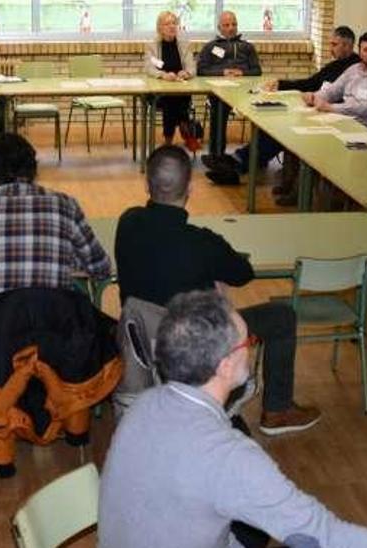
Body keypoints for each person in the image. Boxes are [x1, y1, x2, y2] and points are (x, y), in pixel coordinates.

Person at [98, 290, 367, 548]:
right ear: (224, 366)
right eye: (247, 343)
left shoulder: (143, 405)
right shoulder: (230, 457)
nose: (251, 348)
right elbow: (323, 535)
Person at [116, 145, 318, 435]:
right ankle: (277, 410)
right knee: (282, 316)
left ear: (147, 185)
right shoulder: (203, 244)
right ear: (191, 188)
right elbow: (243, 274)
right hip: (195, 348)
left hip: (144, 345)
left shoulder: (128, 223)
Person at [0, 133, 111, 296]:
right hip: (56, 318)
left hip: (0, 319)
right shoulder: (65, 203)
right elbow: (101, 267)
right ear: (33, 166)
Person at [235, 26, 361, 203]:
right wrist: (281, 83)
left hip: (337, 119)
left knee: (291, 135)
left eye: (334, 44)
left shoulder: (354, 69)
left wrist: (319, 100)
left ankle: (244, 164)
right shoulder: (335, 64)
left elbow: (345, 98)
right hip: (319, 111)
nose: (330, 48)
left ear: (348, 46)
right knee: (279, 128)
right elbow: (311, 83)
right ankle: (249, 163)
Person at [196, 11, 261, 167]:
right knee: (218, 107)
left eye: (234, 24)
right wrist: (222, 72)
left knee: (262, 110)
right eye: (226, 25)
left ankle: (257, 156)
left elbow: (257, 71)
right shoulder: (211, 47)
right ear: (219, 27)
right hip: (221, 92)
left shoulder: (247, 47)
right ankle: (217, 154)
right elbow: (202, 71)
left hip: (244, 91)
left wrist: (242, 72)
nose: (231, 28)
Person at [304, 31, 367, 131]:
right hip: (347, 123)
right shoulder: (354, 70)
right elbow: (333, 91)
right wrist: (315, 97)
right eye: (366, 50)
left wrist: (330, 107)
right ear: (360, 53)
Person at [144, 11, 196, 146]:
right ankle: (186, 131)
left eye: (174, 23)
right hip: (159, 93)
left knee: (177, 99)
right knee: (171, 101)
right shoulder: (152, 46)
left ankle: (168, 142)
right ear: (159, 27)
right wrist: (163, 75)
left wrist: (186, 73)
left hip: (181, 89)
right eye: (167, 24)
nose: (172, 26)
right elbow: (149, 68)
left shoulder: (184, 45)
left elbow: (192, 68)